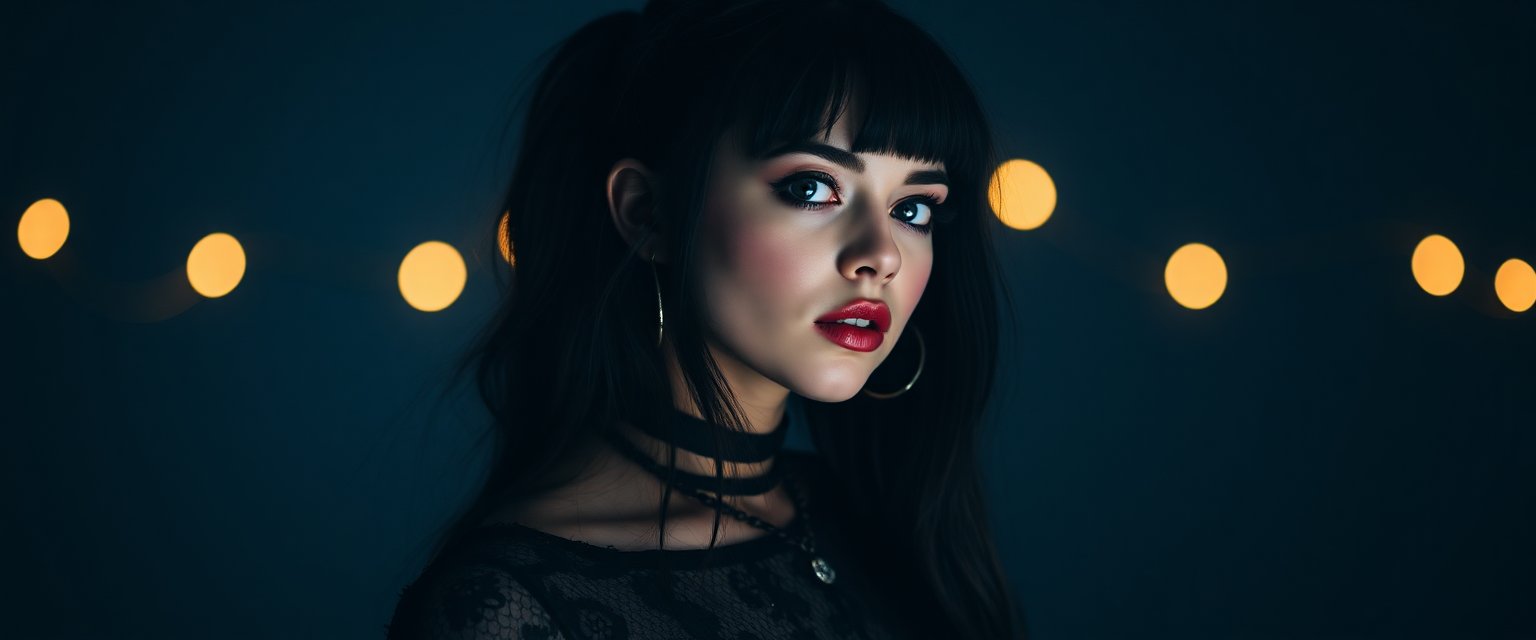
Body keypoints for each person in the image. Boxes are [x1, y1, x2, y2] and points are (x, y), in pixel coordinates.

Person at [386, 0, 1025, 637]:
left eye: (913, 209)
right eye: (811, 188)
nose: (882, 255)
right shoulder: (509, 605)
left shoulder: (882, 522)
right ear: (649, 214)